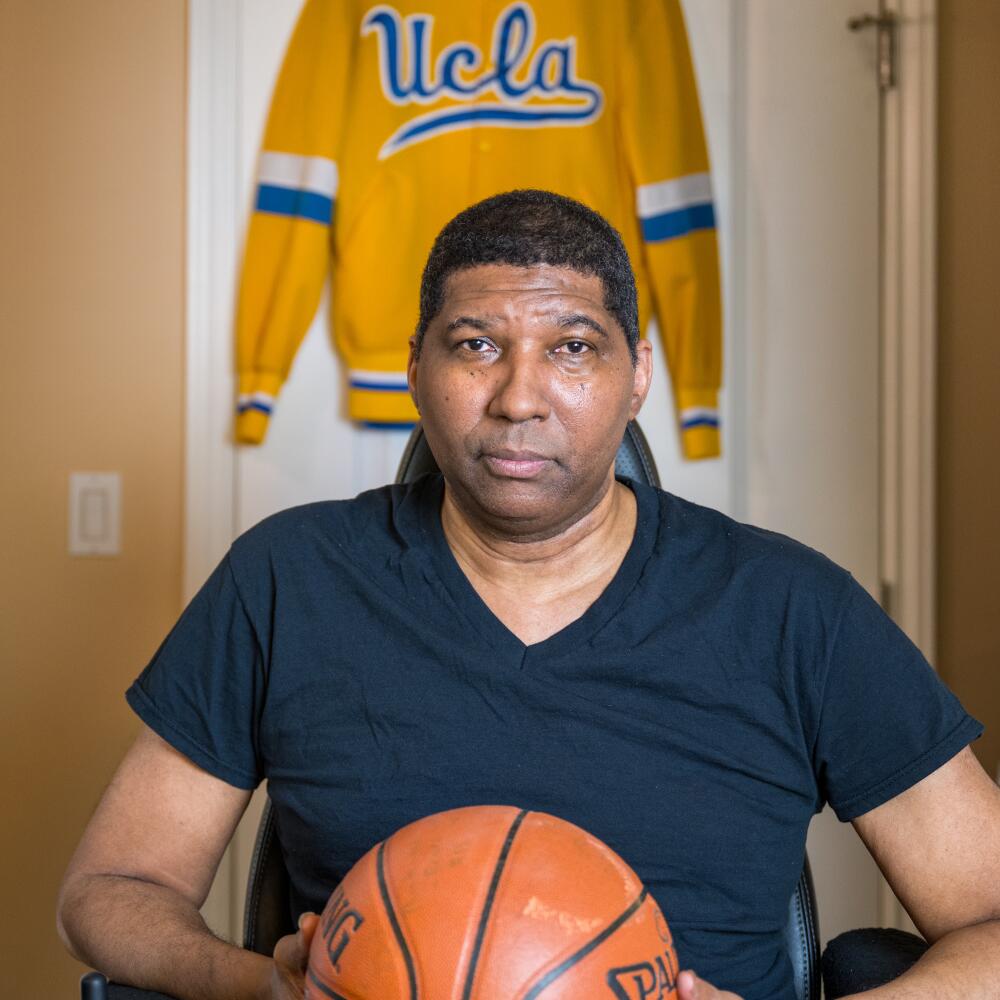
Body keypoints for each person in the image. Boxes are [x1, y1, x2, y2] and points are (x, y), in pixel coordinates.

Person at [58, 191, 1000, 1000]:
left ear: (636, 378)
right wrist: (259, 981)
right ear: (417, 374)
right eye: (476, 345)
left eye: (574, 348)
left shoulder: (793, 610)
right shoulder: (287, 577)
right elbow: (110, 886)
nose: (520, 396)